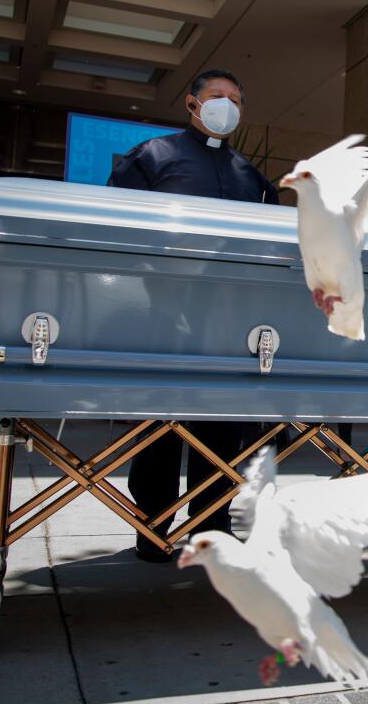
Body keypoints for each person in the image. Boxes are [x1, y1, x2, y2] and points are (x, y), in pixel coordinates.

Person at [109, 68, 279, 563]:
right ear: (191, 103)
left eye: (235, 99)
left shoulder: (252, 175)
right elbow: (119, 229)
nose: (225, 105)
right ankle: (154, 525)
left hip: (228, 322)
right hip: (161, 314)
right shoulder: (152, 157)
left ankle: (212, 524)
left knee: (222, 430)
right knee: (160, 427)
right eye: (216, 96)